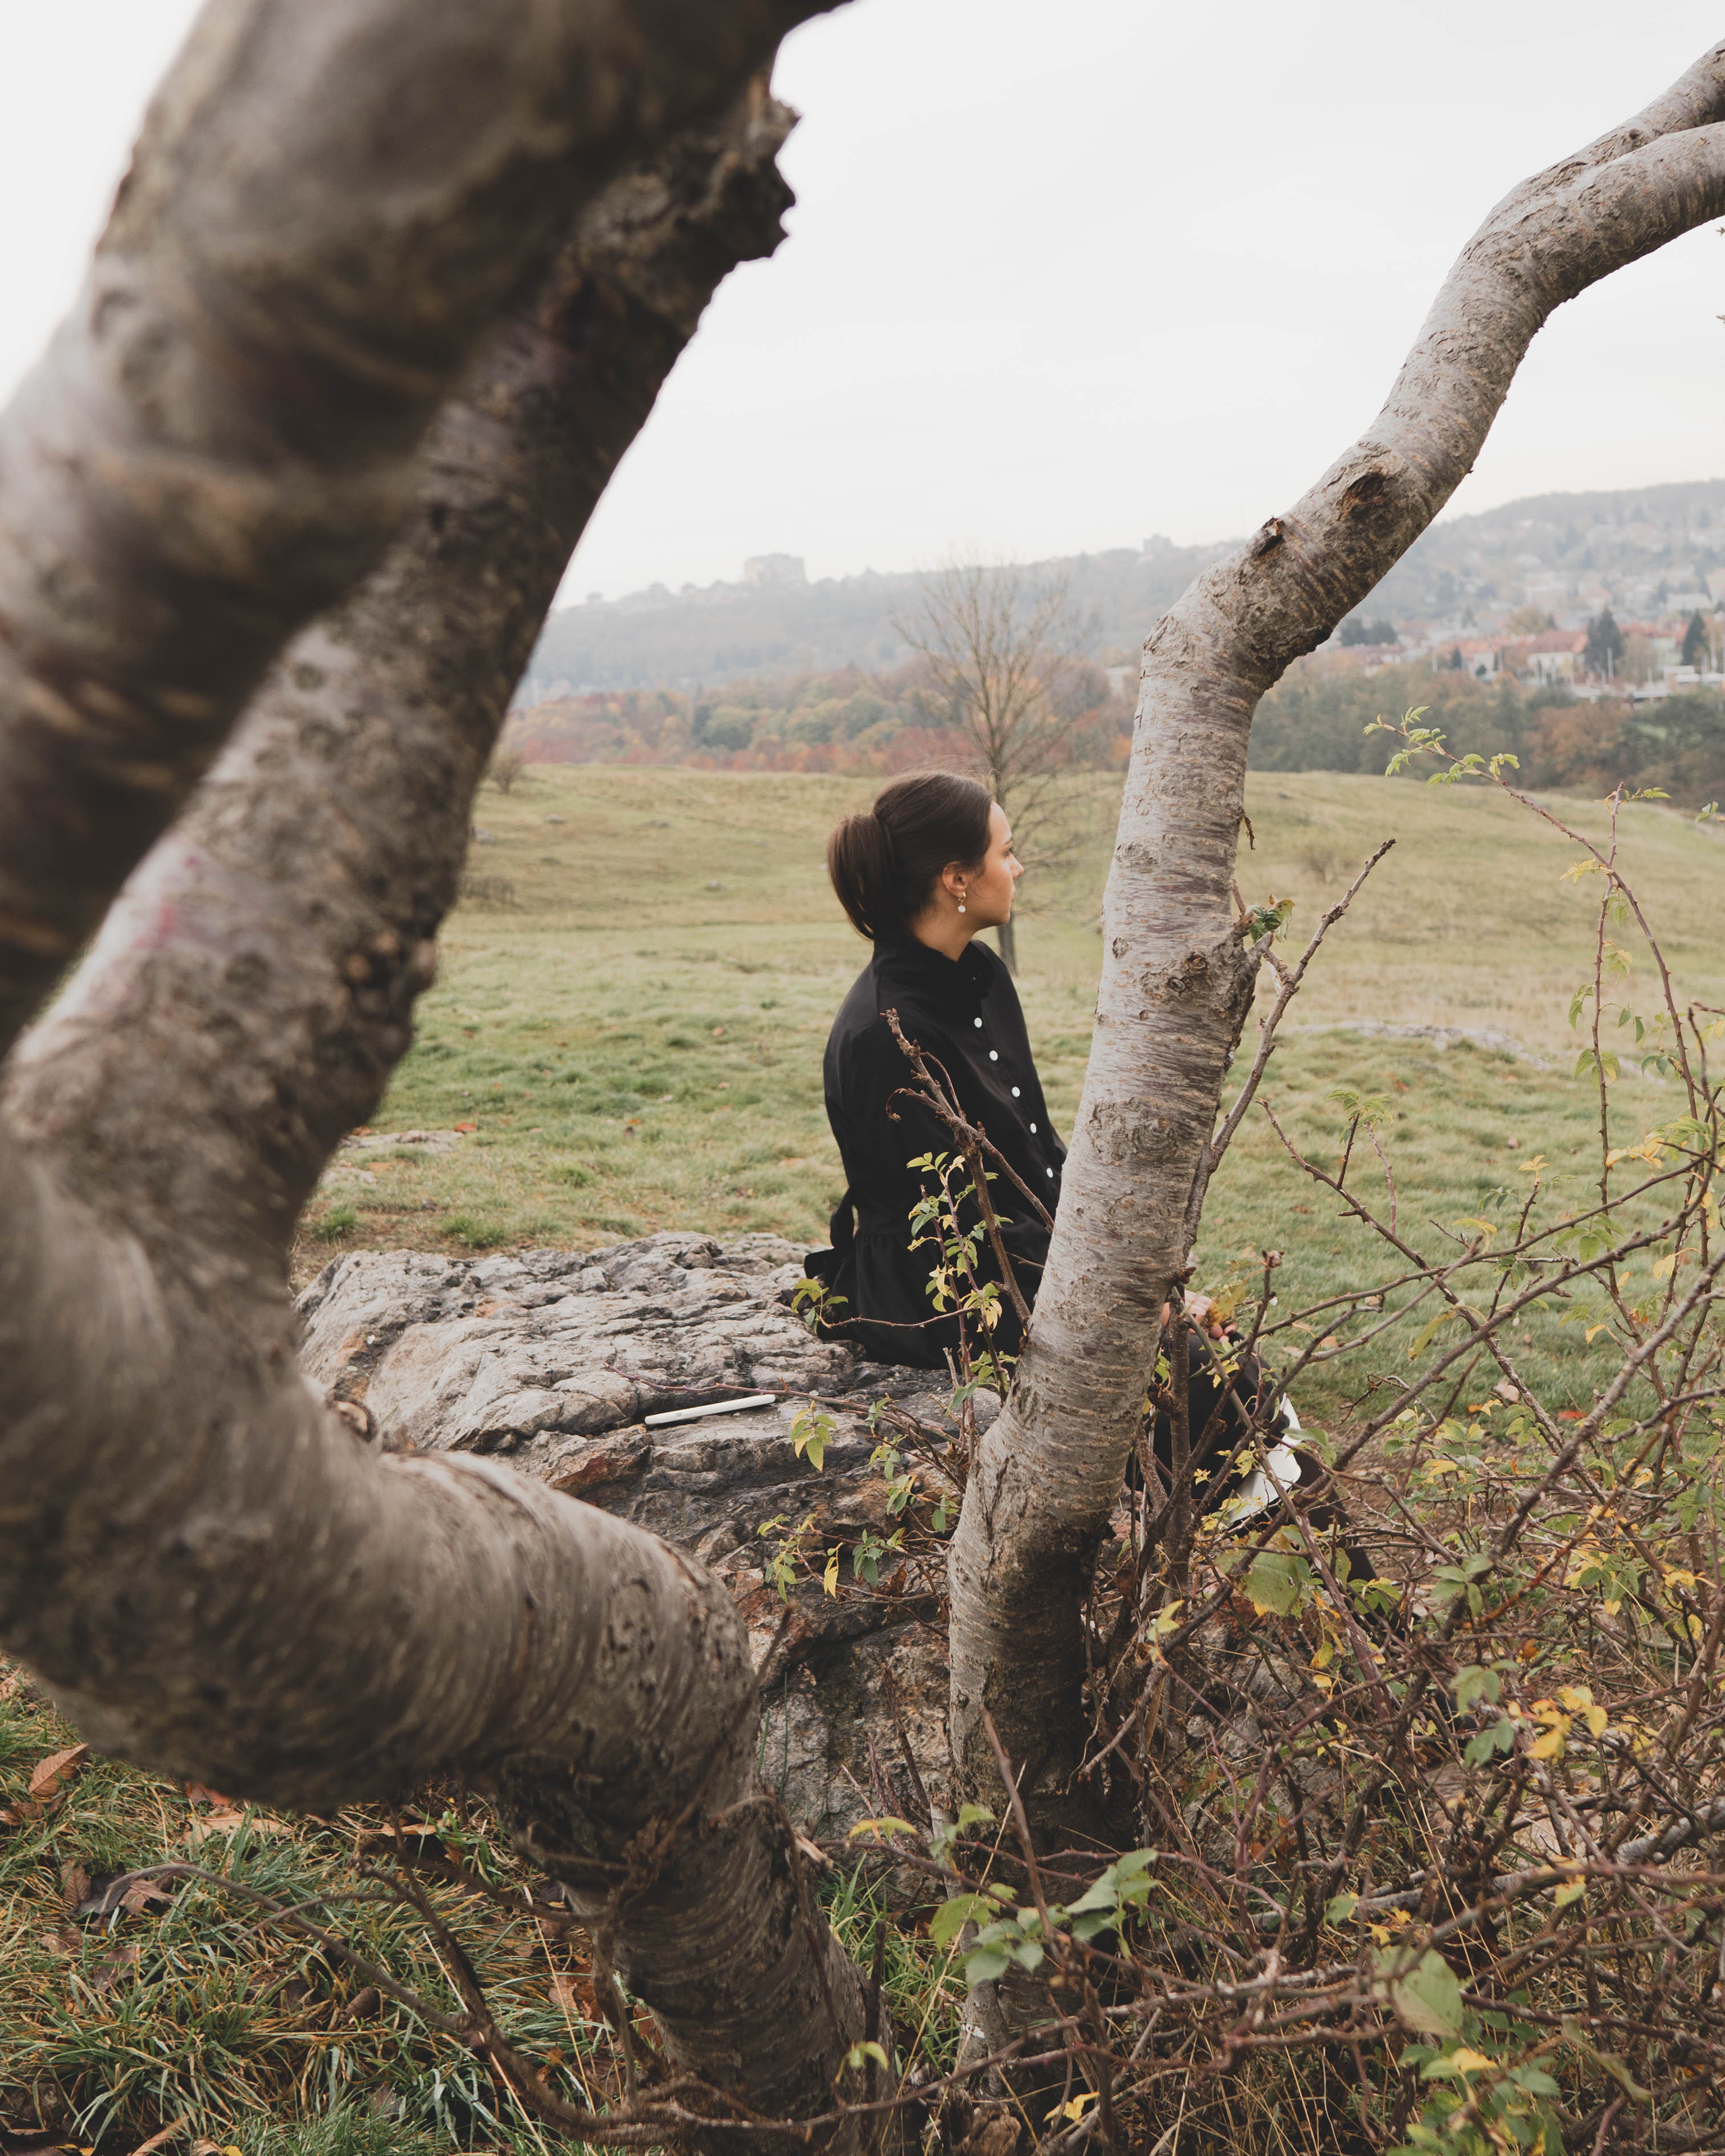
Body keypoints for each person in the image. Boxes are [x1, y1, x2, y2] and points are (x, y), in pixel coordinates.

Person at [809, 771, 1060, 1368]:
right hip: (947, 1293)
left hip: (1030, 1252)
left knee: (1222, 1362)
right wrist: (1096, 1295)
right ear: (956, 879)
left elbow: (1034, 1147)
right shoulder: (886, 1034)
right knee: (1206, 1385)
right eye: (1006, 852)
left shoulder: (982, 975)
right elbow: (962, 1223)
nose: (1017, 868)